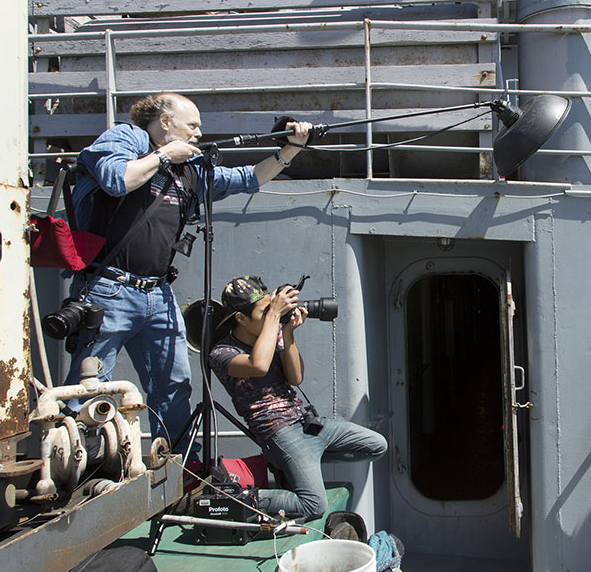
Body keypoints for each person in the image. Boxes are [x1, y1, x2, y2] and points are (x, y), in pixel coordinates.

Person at [66, 92, 312, 457]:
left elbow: (247, 178)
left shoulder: (190, 170)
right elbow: (117, 179)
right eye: (192, 125)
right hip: (110, 288)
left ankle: (180, 465)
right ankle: (73, 458)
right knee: (89, 384)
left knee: (173, 385)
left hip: (157, 294)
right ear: (165, 122)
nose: (199, 133)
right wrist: (165, 155)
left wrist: (292, 148)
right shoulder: (128, 138)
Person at [209, 276, 387, 518]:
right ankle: (233, 497)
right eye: (265, 312)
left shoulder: (273, 334)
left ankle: (301, 462)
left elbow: (296, 378)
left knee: (377, 446)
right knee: (313, 505)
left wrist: (288, 333)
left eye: (272, 308)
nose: (272, 315)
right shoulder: (222, 353)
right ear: (241, 318)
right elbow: (258, 365)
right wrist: (274, 316)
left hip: (305, 424)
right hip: (279, 434)